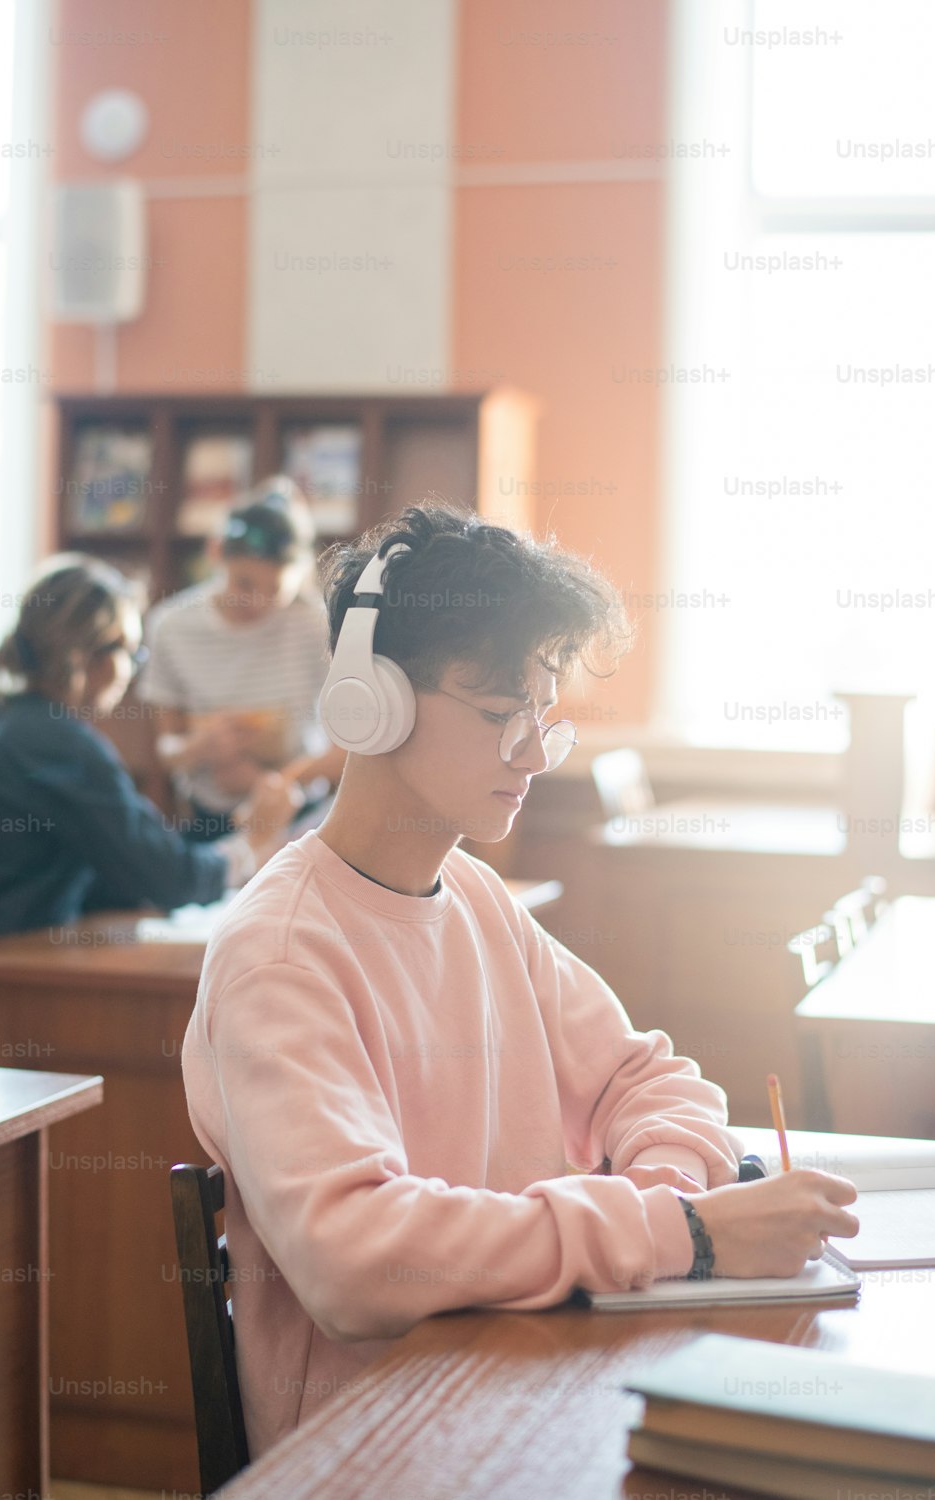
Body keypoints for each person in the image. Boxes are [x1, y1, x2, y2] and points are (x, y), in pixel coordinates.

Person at [181, 503, 859, 1459]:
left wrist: (672, 1213)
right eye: (502, 715)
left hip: (521, 1380)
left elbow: (646, 1078)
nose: (536, 754)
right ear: (368, 701)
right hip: (377, 1445)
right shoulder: (282, 955)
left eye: (544, 717)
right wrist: (683, 1235)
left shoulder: (473, 894)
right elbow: (357, 1262)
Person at [0, 555, 298, 936]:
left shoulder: (14, 722)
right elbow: (168, 879)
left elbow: (122, 864)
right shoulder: (59, 744)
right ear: (90, 656)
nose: (130, 674)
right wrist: (252, 841)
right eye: (131, 653)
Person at [139, 476, 344, 841]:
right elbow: (166, 748)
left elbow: (349, 748)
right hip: (211, 817)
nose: (259, 603)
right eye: (245, 584)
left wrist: (273, 783)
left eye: (275, 590)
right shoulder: (170, 626)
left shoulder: (314, 622)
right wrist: (201, 748)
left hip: (300, 816)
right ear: (216, 552)